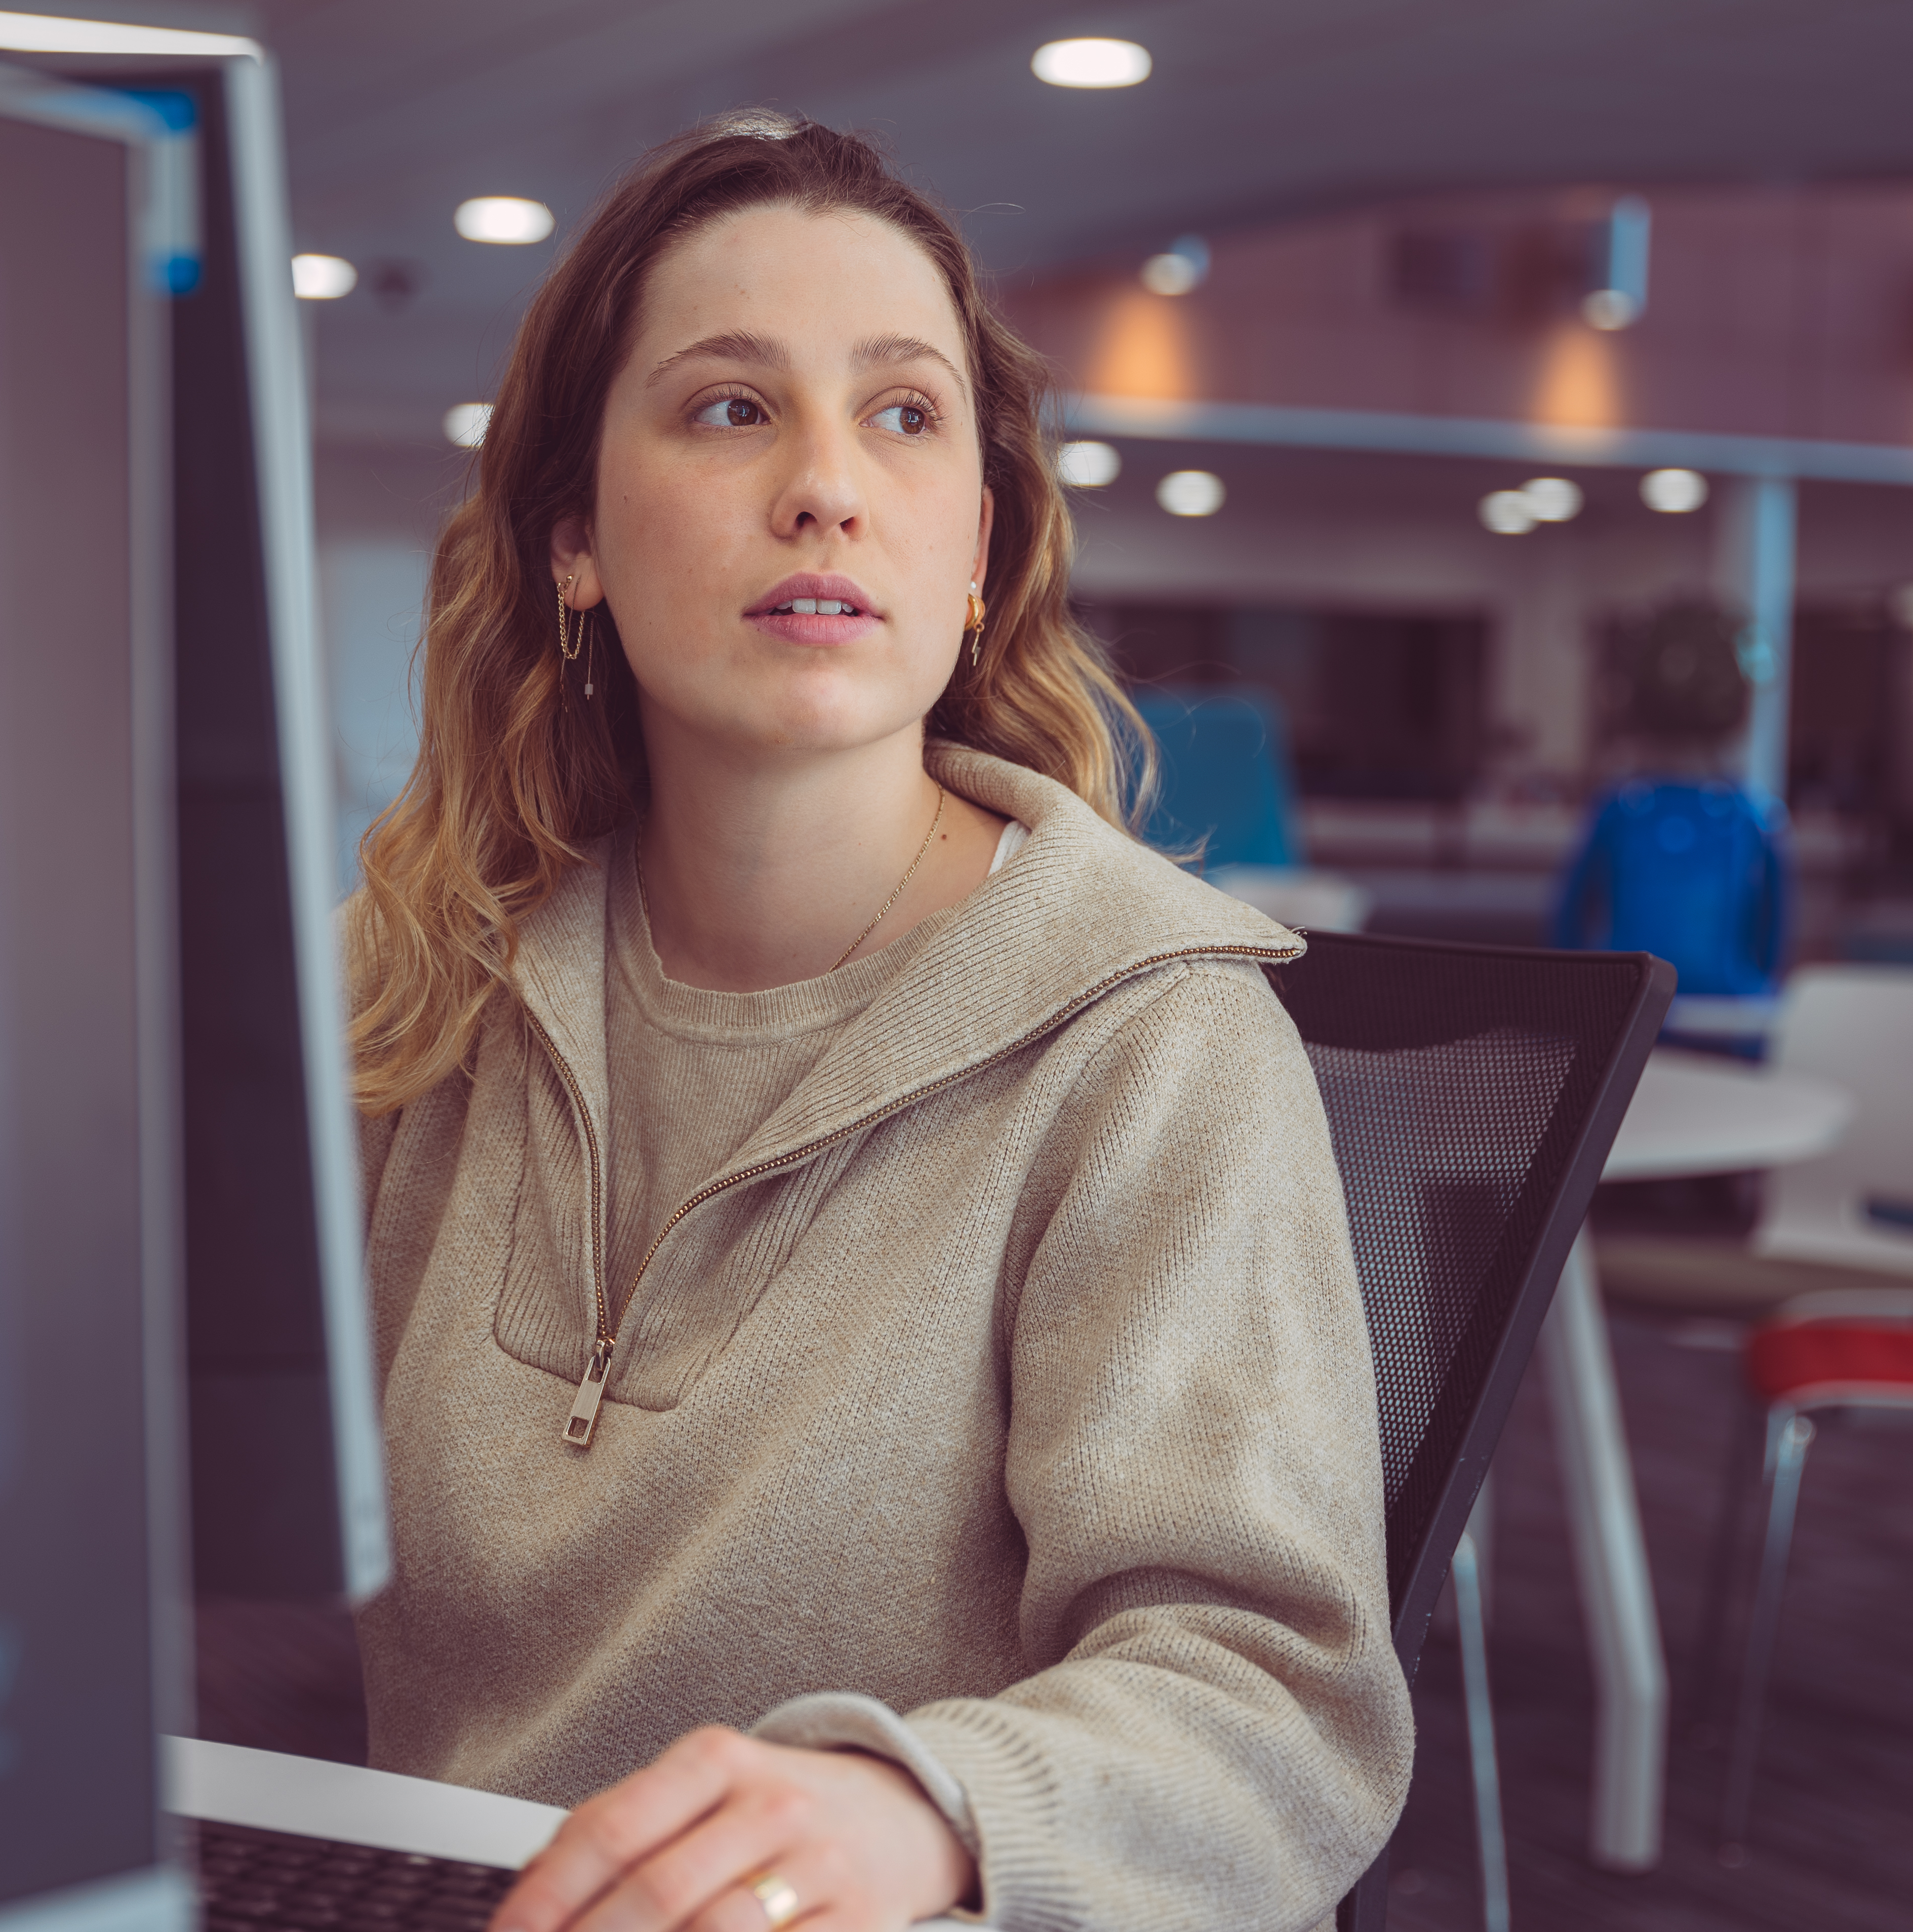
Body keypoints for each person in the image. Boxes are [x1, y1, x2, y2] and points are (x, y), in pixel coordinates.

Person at [342, 111, 1411, 1932]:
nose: (828, 486)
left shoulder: (1146, 1036)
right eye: (731, 407)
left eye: (903, 415)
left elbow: (1275, 1705)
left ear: (976, 549)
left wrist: (930, 1816)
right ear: (574, 540)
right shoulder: (439, 970)